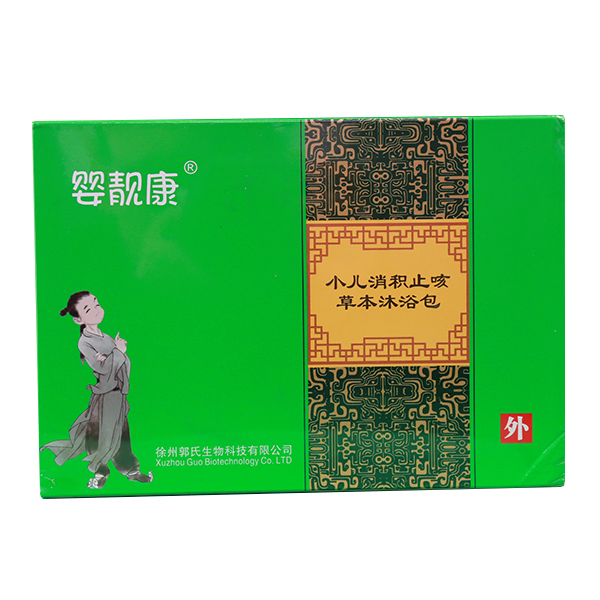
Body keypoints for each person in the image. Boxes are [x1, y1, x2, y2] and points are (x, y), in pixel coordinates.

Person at [41, 291, 152, 490]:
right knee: (99, 434)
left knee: (121, 433)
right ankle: (100, 472)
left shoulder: (107, 338)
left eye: (96, 304)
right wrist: (117, 352)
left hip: (118, 394)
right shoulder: (84, 342)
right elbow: (104, 368)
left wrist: (114, 354)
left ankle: (131, 470)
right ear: (78, 320)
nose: (96, 310)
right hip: (105, 396)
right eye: (87, 309)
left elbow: (117, 364)